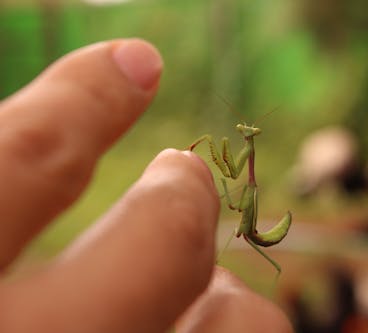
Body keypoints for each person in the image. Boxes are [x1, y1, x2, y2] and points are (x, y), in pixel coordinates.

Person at [0, 39, 293, 333]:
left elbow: (232, 190)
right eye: (245, 131)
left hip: (259, 233)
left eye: (248, 133)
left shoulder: (250, 187)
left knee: (270, 258)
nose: (244, 133)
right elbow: (231, 177)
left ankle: (274, 298)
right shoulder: (246, 173)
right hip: (245, 199)